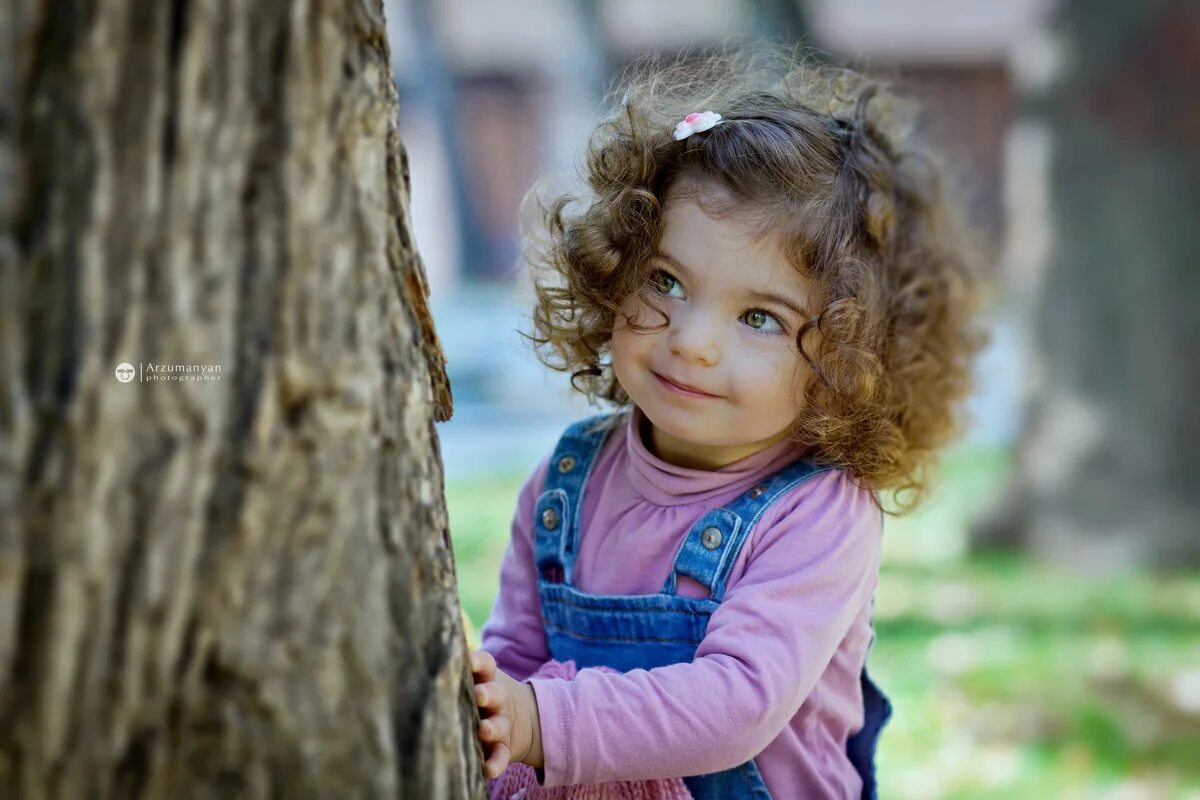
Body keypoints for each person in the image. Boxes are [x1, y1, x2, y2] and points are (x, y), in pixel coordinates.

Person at [467, 44, 986, 800]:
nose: (693, 340)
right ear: (615, 269)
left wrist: (540, 720)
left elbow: (734, 705)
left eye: (759, 318)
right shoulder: (569, 480)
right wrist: (494, 712)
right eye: (666, 281)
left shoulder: (817, 510)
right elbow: (513, 652)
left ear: (845, 357)